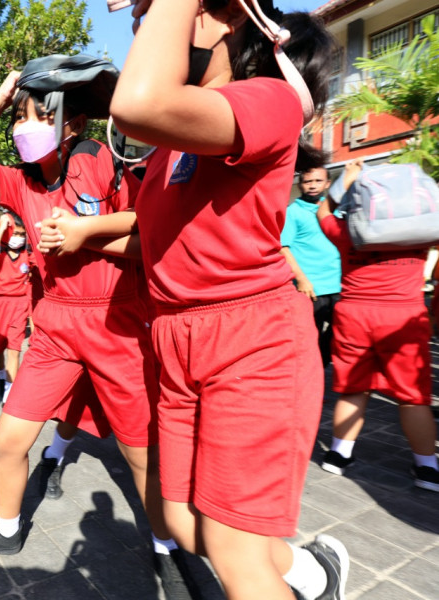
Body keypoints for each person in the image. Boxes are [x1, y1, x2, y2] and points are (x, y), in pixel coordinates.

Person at [76, 1, 349, 598]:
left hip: (252, 344)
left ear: (225, 16)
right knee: (184, 525)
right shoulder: (176, 138)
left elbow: (139, 101)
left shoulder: (268, 99)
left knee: (233, 551)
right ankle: (310, 574)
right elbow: (158, 240)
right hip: (176, 340)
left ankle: (286, 573)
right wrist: (87, 233)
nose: (147, 24)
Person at [0, 64, 180, 596]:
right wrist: (4, 93)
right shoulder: (20, 182)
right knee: (9, 439)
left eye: (31, 116)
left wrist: (85, 234)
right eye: (17, 118)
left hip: (115, 322)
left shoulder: (101, 160)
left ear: (67, 124)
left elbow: (155, 240)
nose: (19, 128)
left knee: (141, 453)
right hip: (52, 326)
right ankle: (6, 530)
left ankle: (167, 547)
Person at [317, 159, 439, 492]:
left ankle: (339, 456)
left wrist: (347, 178)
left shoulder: (348, 233)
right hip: (404, 318)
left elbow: (323, 213)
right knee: (413, 397)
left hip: (354, 314)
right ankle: (427, 467)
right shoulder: (420, 232)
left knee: (354, 388)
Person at [280, 167, 342, 366]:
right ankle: (311, 385)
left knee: (338, 336)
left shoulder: (335, 210)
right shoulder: (293, 212)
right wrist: (302, 279)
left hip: (339, 286)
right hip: (311, 289)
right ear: (300, 185)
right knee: (307, 340)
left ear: (327, 184)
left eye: (318, 181)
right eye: (308, 181)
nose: (313, 185)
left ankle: (320, 374)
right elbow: (283, 248)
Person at [0, 211, 30, 398]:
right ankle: (2, 375)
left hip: (19, 304)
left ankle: (9, 393)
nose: (18, 238)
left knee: (15, 349)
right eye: (15, 234)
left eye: (21, 234)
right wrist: (2, 227)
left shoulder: (28, 255)